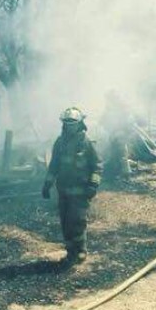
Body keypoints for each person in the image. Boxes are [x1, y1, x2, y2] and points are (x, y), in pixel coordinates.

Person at [42, 108, 103, 264]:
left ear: (79, 124)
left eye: (73, 124)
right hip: (63, 191)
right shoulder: (59, 142)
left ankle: (81, 250)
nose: (70, 127)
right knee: (65, 222)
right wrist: (47, 184)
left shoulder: (86, 142)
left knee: (77, 221)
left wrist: (93, 185)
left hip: (80, 191)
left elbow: (97, 165)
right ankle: (70, 252)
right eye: (67, 124)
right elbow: (54, 165)